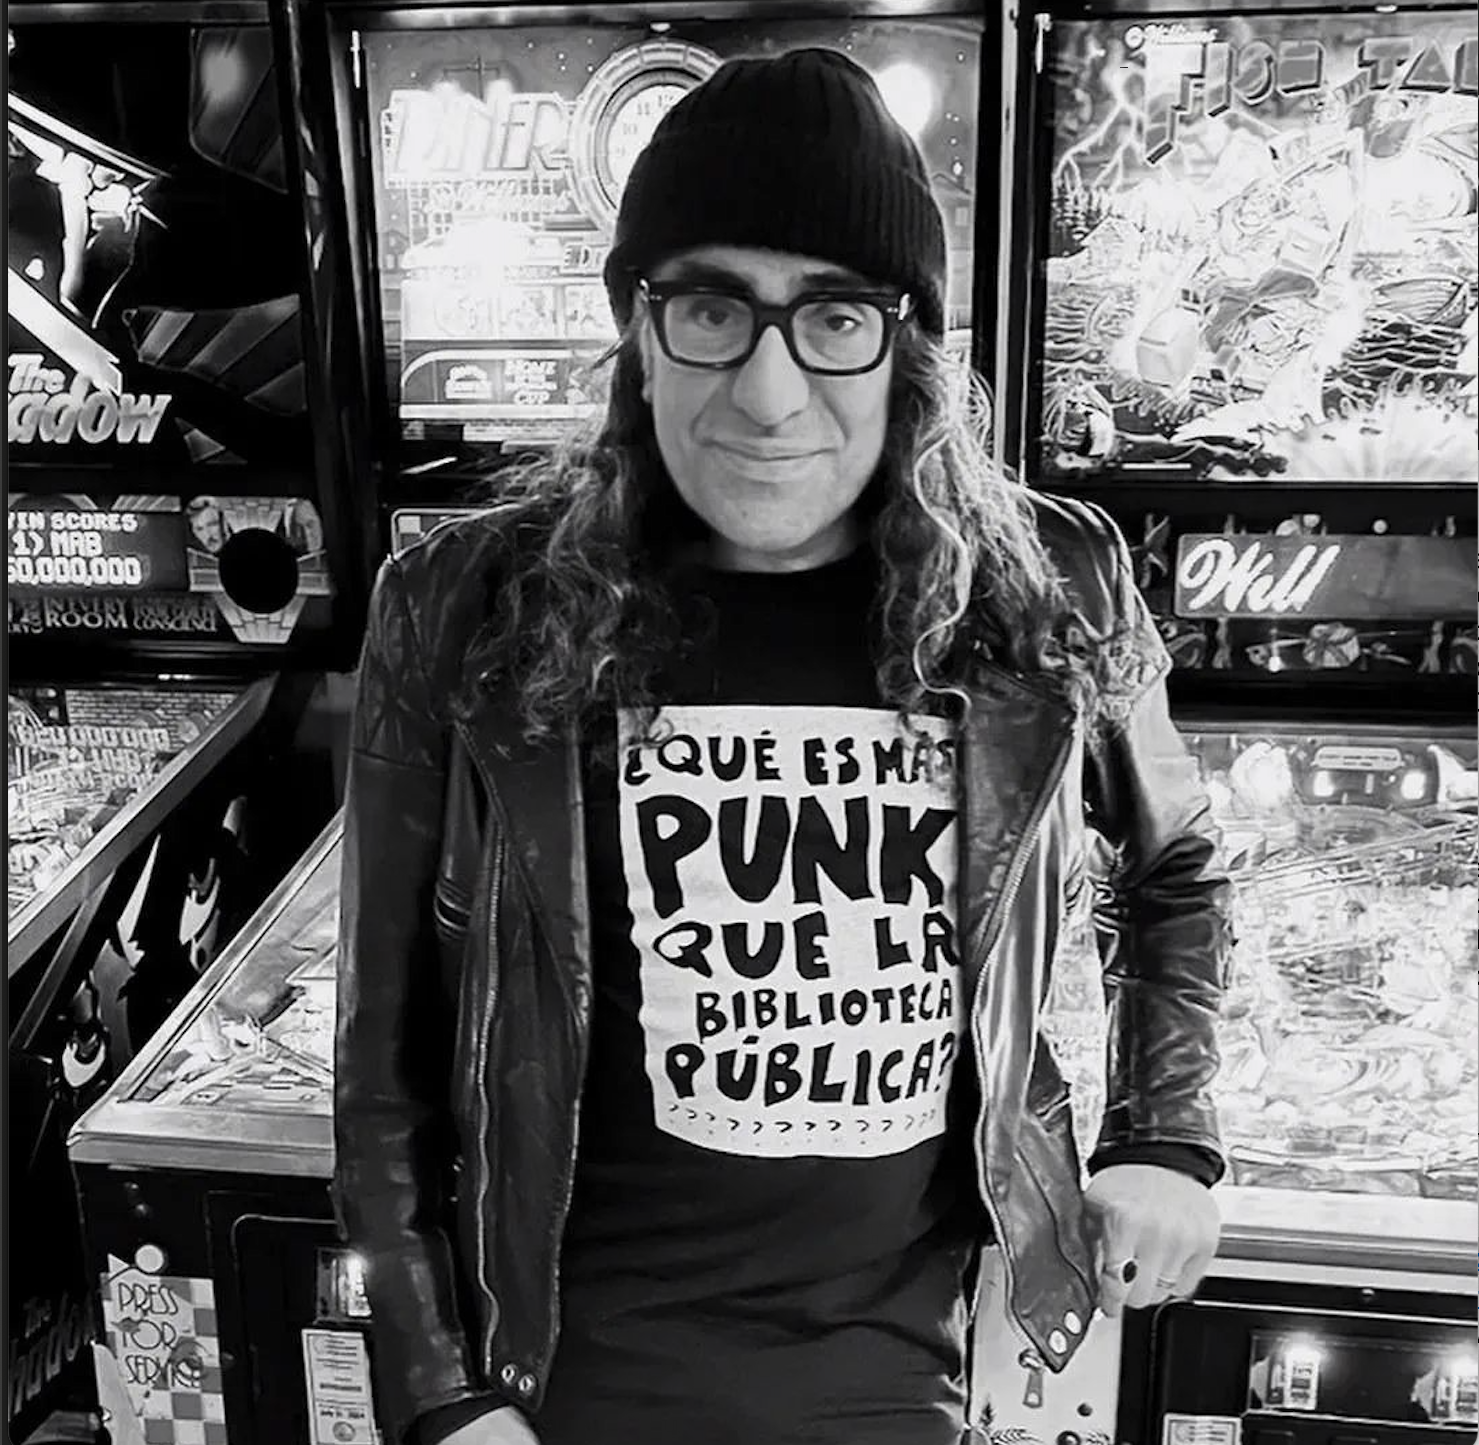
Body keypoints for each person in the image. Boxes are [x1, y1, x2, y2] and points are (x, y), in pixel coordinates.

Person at [335, 47, 1231, 1445]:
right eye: (708, 307)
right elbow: (380, 1054)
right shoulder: (464, 604)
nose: (763, 393)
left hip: (914, 1363)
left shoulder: (1048, 582)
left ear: (908, 346)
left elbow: (1174, 871)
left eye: (831, 317)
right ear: (637, 329)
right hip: (563, 1375)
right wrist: (438, 1388)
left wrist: (1165, 1139)